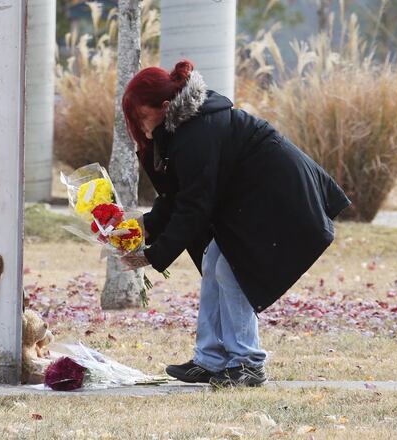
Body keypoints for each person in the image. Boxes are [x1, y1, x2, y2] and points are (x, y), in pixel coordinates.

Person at [119, 60, 351, 387]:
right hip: (256, 198)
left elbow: (193, 207)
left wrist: (151, 256)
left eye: (142, 118)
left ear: (166, 107)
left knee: (232, 269)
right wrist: (141, 227)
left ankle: (247, 362)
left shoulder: (195, 133)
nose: (141, 129)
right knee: (214, 259)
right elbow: (178, 197)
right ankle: (210, 358)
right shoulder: (184, 128)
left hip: (281, 196)